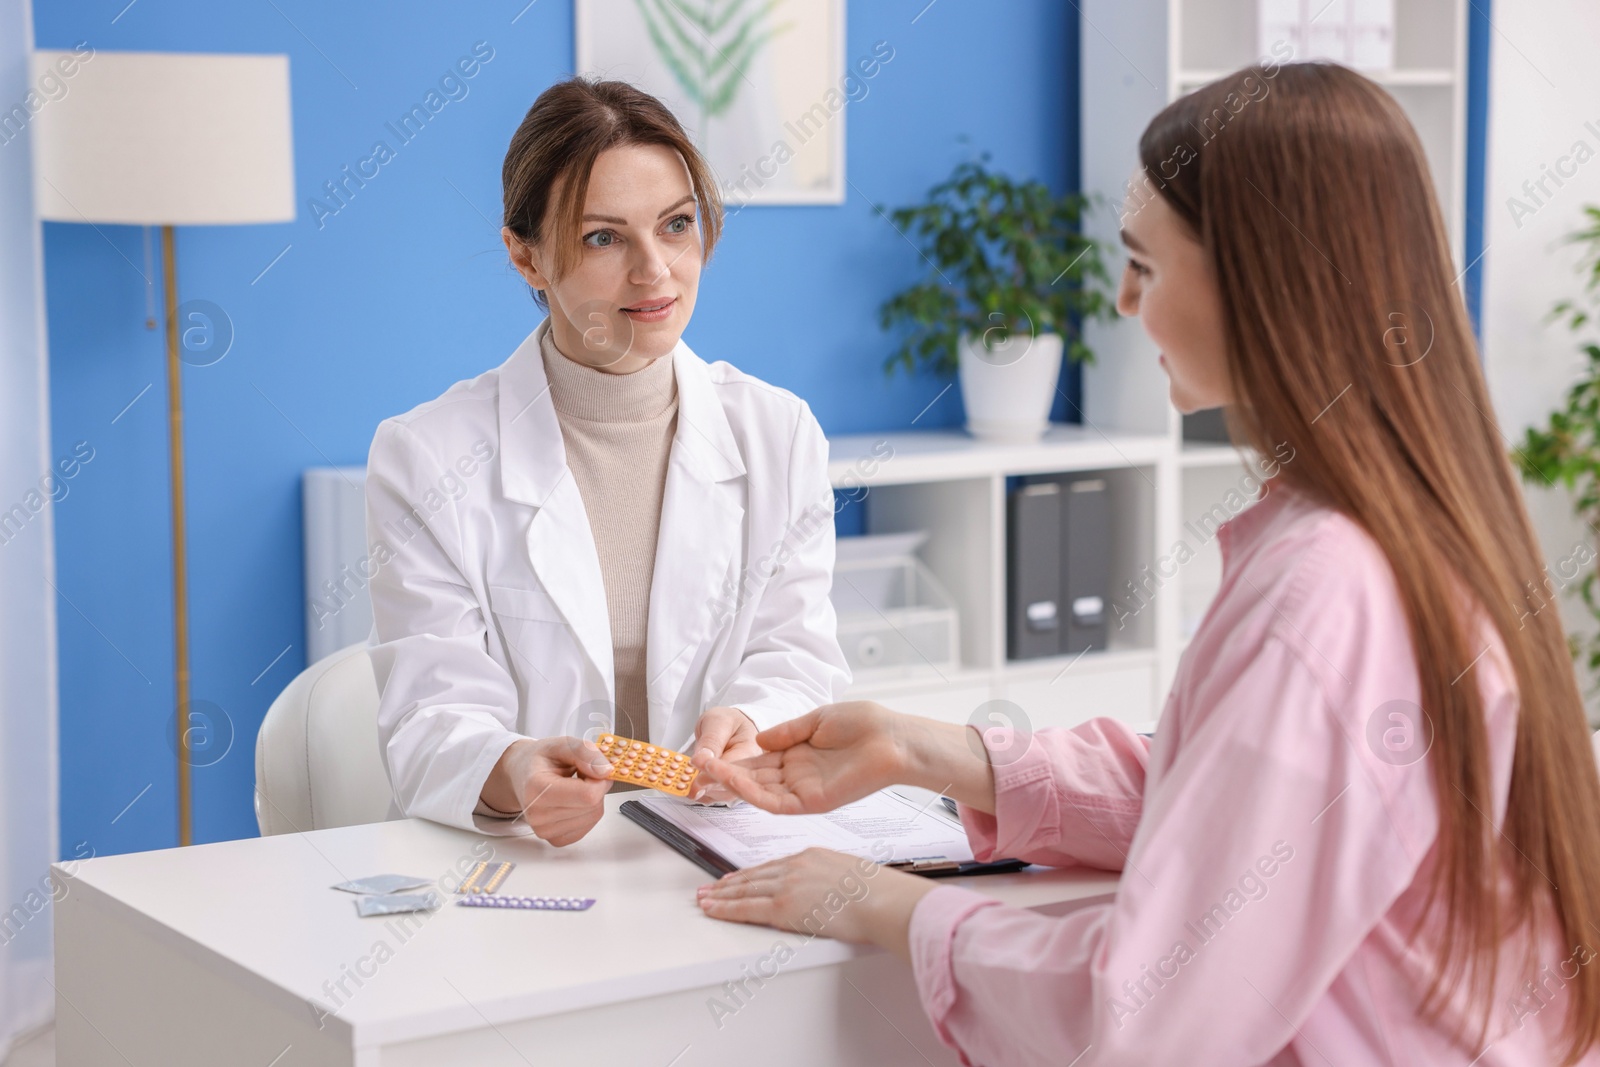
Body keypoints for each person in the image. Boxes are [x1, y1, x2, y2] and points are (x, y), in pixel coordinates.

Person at [693, 61, 1600, 1066]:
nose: (1122, 302)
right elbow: (1239, 806)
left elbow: (1146, 1019)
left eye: (1144, 265)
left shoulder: (1325, 596)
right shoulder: (1402, 532)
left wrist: (885, 904)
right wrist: (931, 749)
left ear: (1260, 283)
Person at [364, 76, 849, 844]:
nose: (654, 270)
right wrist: (515, 768)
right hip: (527, 869)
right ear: (526, 257)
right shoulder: (427, 457)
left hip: (720, 843)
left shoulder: (779, 434)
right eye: (603, 237)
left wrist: (753, 718)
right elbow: (431, 718)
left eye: (677, 225)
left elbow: (798, 652)